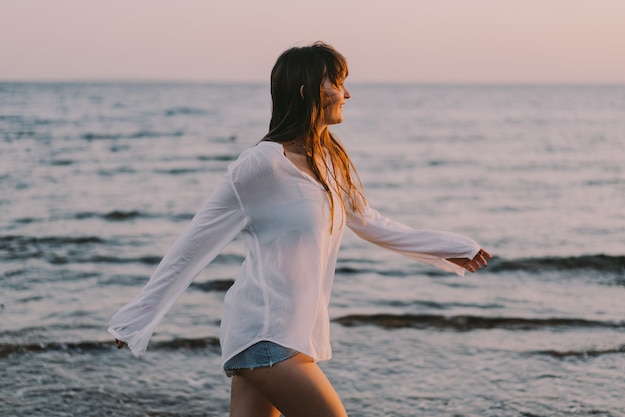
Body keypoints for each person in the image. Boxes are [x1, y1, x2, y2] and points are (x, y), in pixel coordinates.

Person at [108, 41, 492, 417]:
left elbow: (370, 222)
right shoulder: (260, 166)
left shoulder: (328, 160)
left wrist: (448, 247)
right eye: (337, 82)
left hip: (286, 339)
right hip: (264, 335)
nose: (347, 93)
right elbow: (194, 243)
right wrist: (138, 318)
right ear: (308, 91)